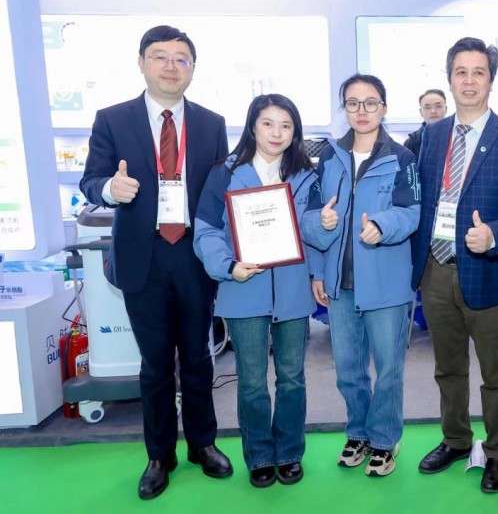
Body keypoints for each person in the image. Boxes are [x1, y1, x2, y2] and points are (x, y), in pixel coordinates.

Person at [79, 25, 232, 499]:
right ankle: (159, 455)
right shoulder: (112, 119)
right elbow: (91, 180)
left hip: (194, 255)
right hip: (142, 258)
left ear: (192, 69)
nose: (171, 66)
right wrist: (110, 189)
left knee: (198, 357)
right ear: (141, 63)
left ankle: (203, 444)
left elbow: (223, 191)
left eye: (181, 58)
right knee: (155, 363)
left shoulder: (211, 123)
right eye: (160, 56)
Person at [411, 37, 498, 494]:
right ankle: (456, 439)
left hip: (487, 268)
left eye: (478, 72)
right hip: (435, 269)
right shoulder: (432, 135)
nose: (469, 80)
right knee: (448, 367)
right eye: (460, 72)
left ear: (491, 80)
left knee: (495, 371)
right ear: (450, 79)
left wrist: (495, 233)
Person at [193, 94, 318, 488]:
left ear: (295, 131)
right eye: (267, 123)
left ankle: (290, 452)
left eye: (286, 125)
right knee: (251, 381)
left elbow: (314, 231)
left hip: (293, 291)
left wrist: (324, 229)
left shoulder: (307, 174)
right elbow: (206, 230)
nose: (277, 132)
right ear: (252, 127)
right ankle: (260, 455)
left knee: (292, 377)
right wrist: (228, 266)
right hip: (243, 289)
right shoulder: (226, 173)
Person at [301, 74, 420, 477]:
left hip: (386, 283)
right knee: (348, 369)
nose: (362, 111)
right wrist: (318, 265)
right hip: (339, 285)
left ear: (384, 108)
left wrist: (383, 225)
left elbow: (412, 213)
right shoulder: (330, 157)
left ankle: (384, 439)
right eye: (352, 103)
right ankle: (358, 433)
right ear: (344, 109)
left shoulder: (402, 158)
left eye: (371, 103)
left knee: (388, 369)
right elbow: (311, 217)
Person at [404, 88, 448, 157]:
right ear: (421, 112)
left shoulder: (457, 137)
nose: (433, 111)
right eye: (427, 107)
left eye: (438, 106)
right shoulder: (411, 143)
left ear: (446, 109)